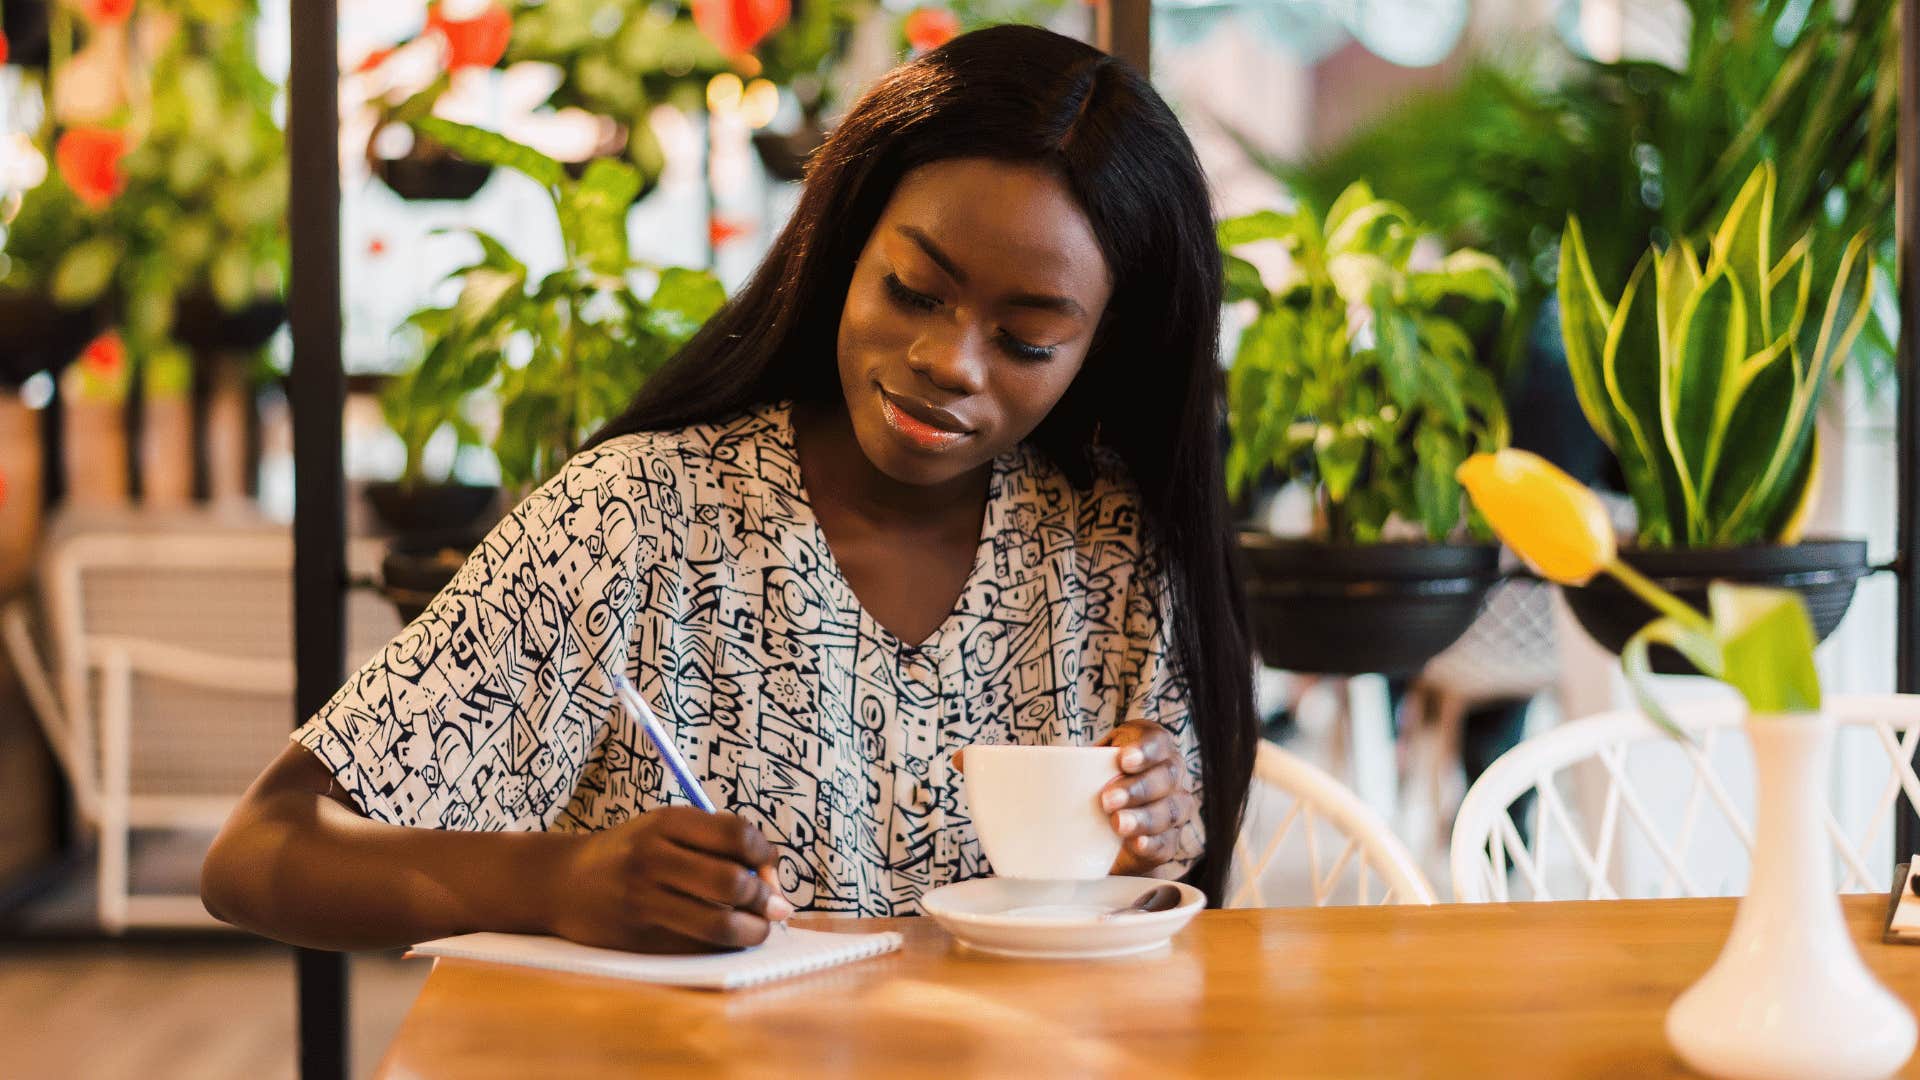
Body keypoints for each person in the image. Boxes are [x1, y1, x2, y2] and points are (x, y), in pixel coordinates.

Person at [201, 24, 1258, 954]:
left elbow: (1148, 920)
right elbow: (262, 854)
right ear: (845, 246)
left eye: (1026, 339)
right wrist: (559, 884)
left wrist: (1152, 842)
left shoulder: (1107, 550)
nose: (951, 361)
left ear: (1101, 346)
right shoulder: (634, 523)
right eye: (912, 289)